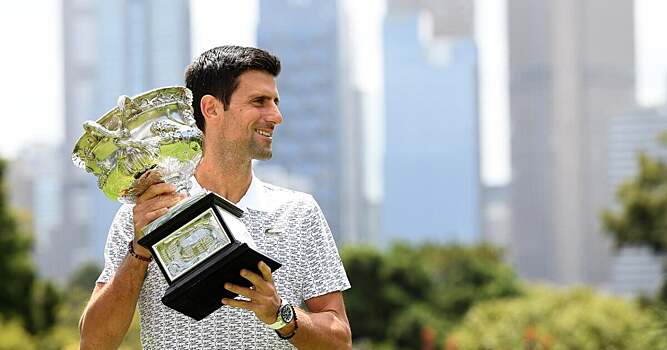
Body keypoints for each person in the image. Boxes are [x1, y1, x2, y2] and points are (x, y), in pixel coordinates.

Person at [79, 45, 352, 350]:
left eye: (275, 102)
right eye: (259, 102)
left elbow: (340, 341)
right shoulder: (146, 213)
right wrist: (140, 251)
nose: (276, 116)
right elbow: (94, 342)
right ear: (211, 108)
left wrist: (280, 314)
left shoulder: (299, 213)